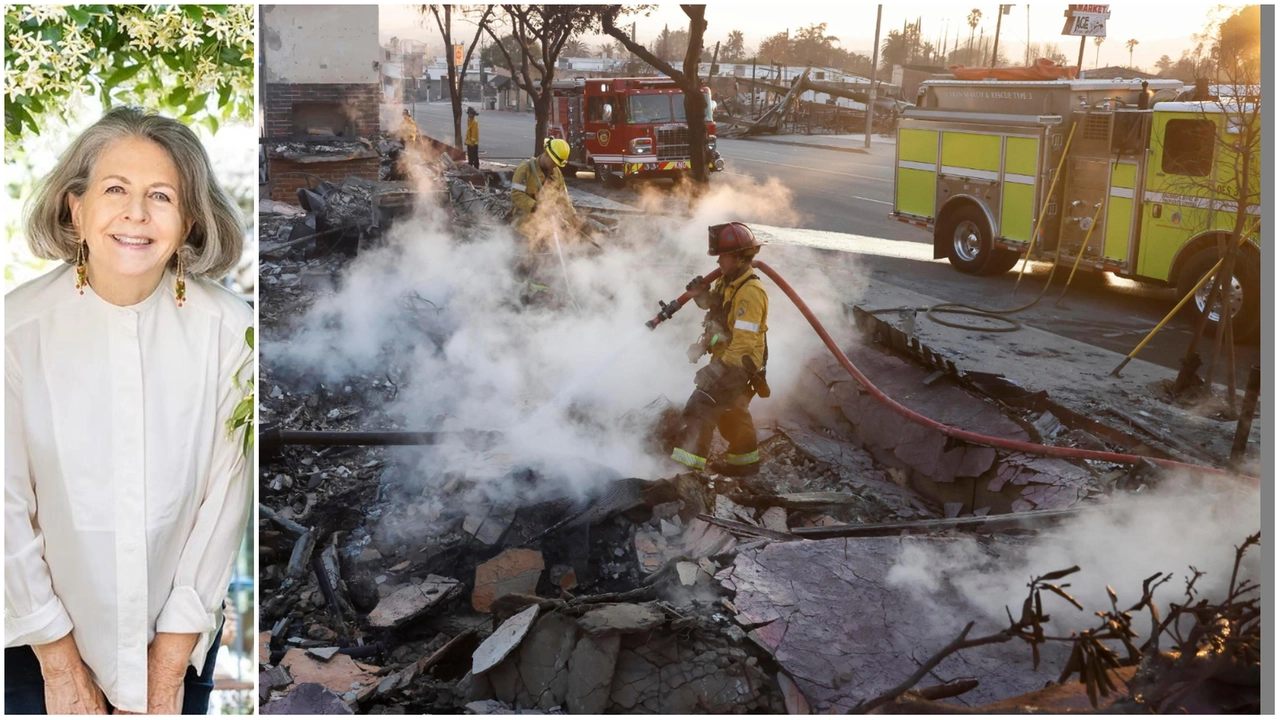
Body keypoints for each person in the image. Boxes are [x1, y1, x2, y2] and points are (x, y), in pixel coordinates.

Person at [5, 107, 253, 715]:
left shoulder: (235, 334)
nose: (136, 215)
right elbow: (4, 506)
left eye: (161, 196)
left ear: (189, 217)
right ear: (75, 207)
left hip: (178, 638)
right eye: (115, 189)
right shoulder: (14, 330)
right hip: (29, 644)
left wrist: (167, 670)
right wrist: (58, 660)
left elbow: (224, 503)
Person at [671, 222, 770, 477]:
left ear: (739, 258)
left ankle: (687, 469)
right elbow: (716, 312)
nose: (718, 264)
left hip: (740, 363)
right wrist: (701, 295)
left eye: (722, 257)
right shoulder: (728, 282)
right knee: (732, 410)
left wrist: (715, 370)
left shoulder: (750, 293)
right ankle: (745, 464)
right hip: (728, 357)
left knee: (701, 404)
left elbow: (743, 344)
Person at [509, 137, 578, 250]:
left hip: (546, 229)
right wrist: (539, 208)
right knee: (524, 261)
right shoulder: (526, 169)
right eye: (554, 162)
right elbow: (516, 195)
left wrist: (573, 217)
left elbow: (563, 198)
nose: (555, 166)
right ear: (547, 154)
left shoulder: (556, 173)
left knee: (545, 261)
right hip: (523, 228)